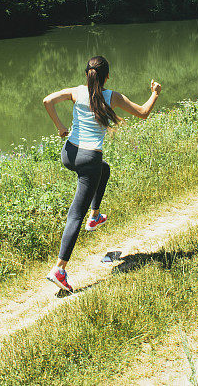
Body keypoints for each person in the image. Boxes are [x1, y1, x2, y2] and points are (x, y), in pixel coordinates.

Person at [42, 55, 162, 292]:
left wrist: (60, 128)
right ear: (106, 76)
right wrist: (155, 93)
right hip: (88, 158)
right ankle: (60, 269)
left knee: (103, 169)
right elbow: (143, 113)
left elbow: (47, 101)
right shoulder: (111, 97)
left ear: (87, 74)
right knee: (75, 215)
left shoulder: (77, 92)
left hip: (69, 154)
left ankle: (95, 215)